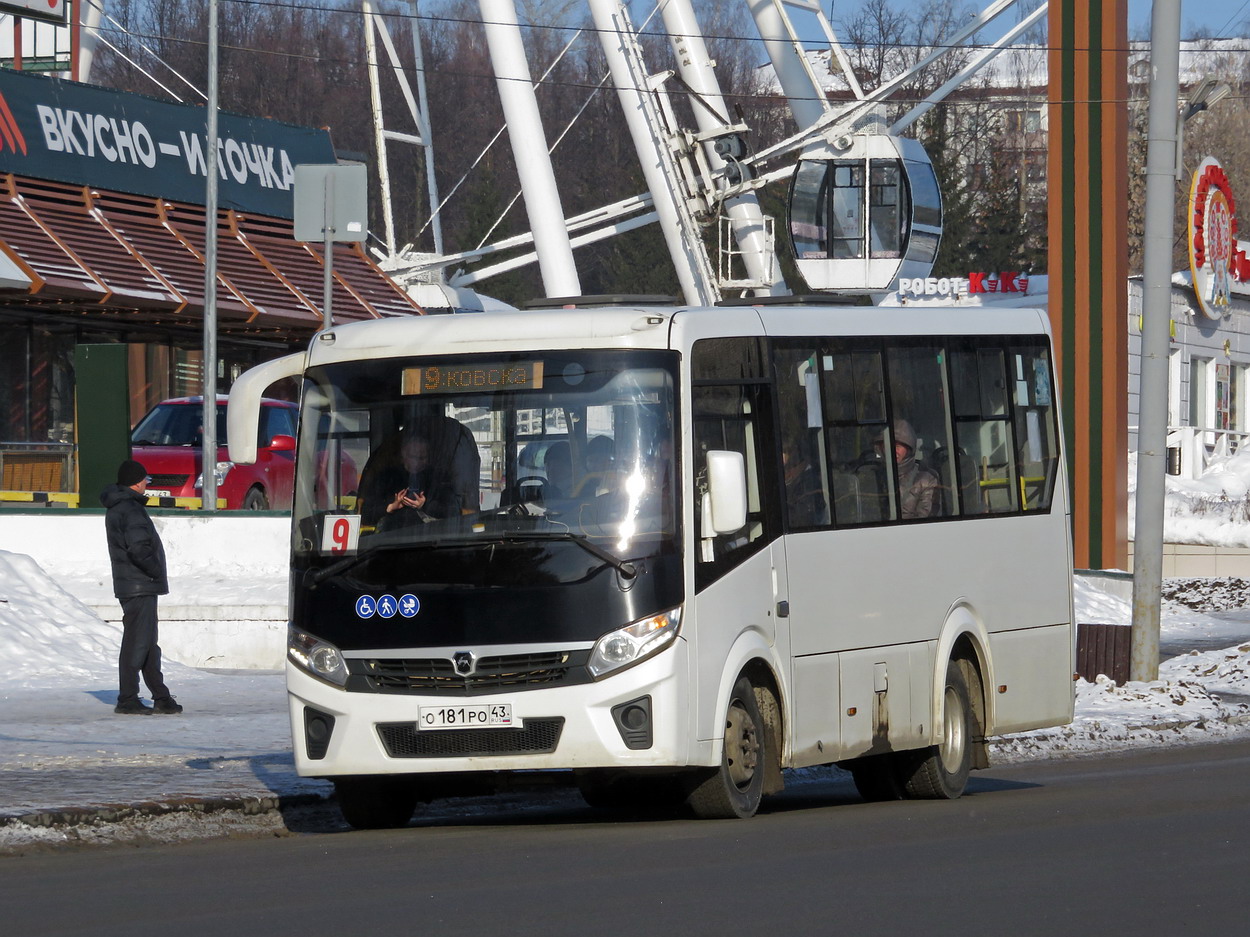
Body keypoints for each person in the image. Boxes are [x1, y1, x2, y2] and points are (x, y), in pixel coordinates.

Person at [100, 459, 181, 715]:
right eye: (146, 479)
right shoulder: (130, 509)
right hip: (139, 585)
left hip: (135, 585)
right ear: (136, 482)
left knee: (147, 643)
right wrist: (155, 570)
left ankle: (161, 696)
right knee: (137, 642)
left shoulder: (119, 507)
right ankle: (127, 699)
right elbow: (138, 549)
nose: (147, 483)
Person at [883, 418, 939, 519]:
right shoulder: (876, 477)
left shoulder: (927, 480)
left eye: (898, 446)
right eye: (889, 446)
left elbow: (925, 519)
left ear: (909, 449)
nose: (893, 451)